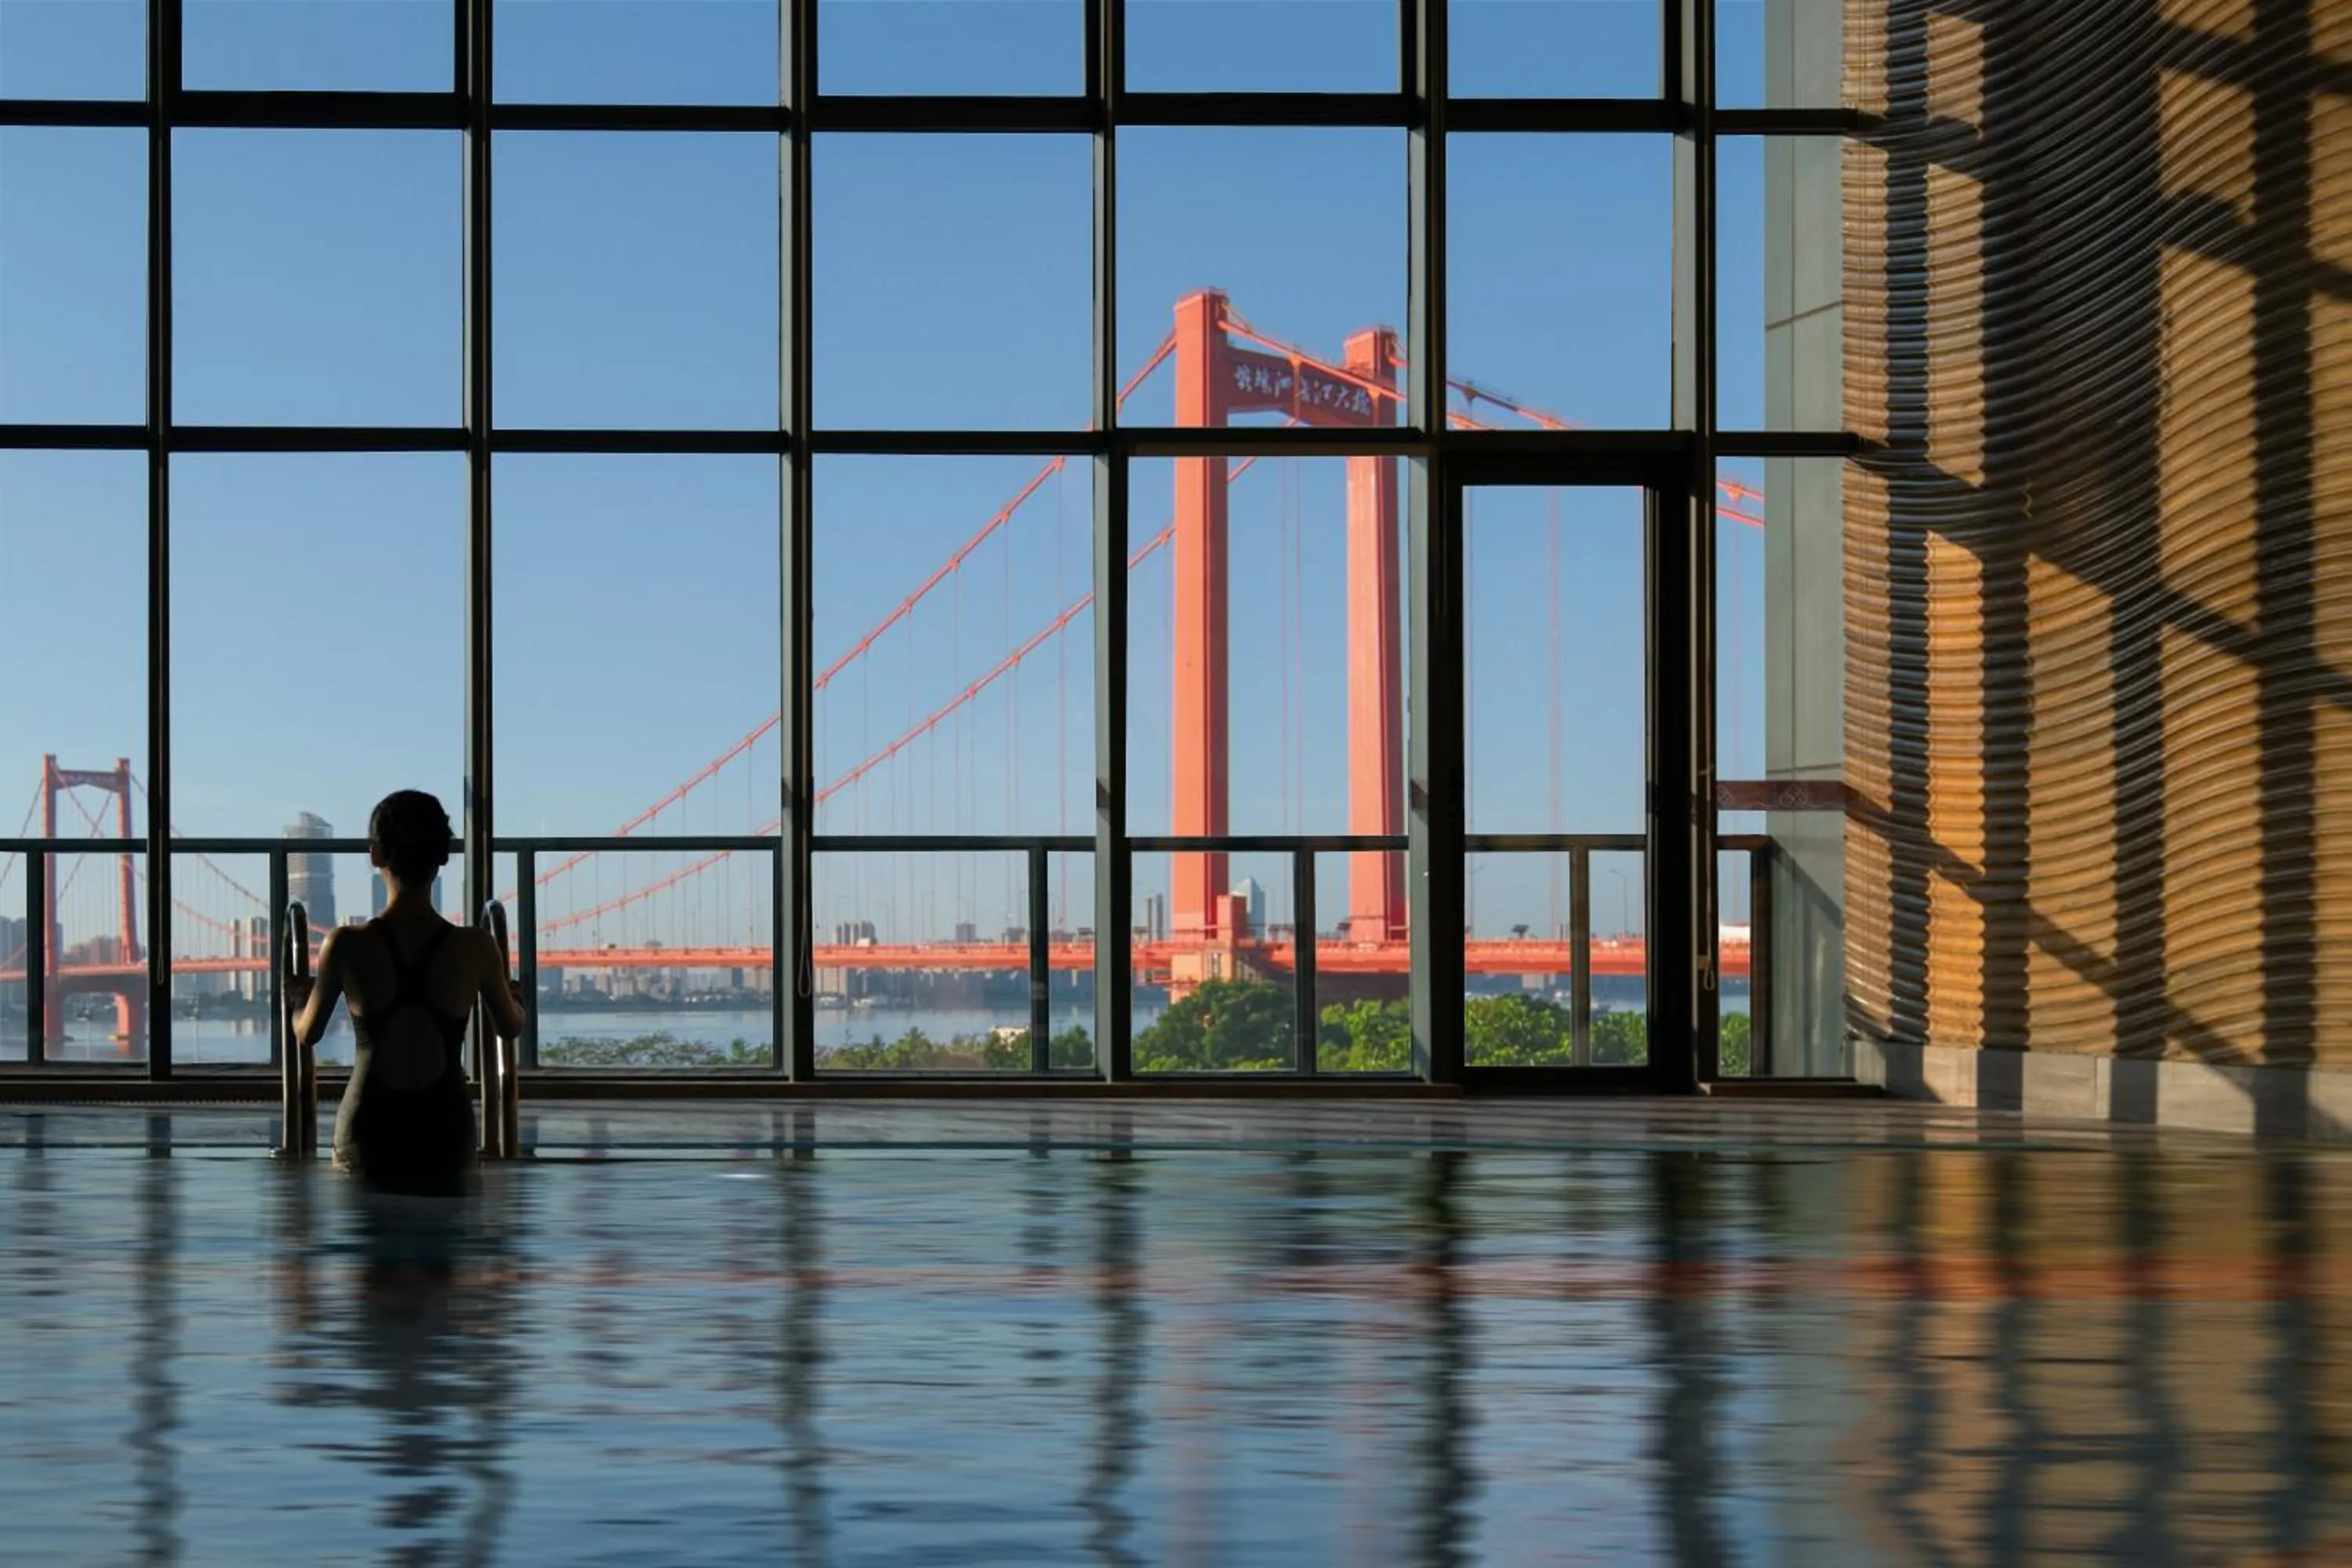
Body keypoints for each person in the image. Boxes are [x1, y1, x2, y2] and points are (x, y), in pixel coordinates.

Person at [286, 789, 526, 1193]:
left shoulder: (345, 944)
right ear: (444, 856)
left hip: (367, 1135)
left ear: (376, 855)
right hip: (445, 1136)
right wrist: (516, 1000)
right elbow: (510, 1027)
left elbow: (308, 1032)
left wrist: (296, 1001)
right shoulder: (476, 946)